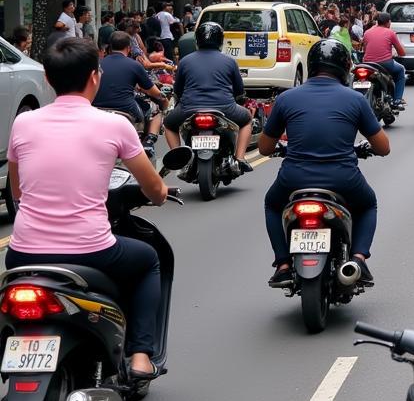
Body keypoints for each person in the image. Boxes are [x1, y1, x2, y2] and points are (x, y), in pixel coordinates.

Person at [4, 38, 168, 378]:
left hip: (21, 254)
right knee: (149, 261)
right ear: (96, 77)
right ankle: (140, 355)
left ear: (47, 79)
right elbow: (154, 189)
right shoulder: (115, 125)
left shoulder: (23, 123)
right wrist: (161, 192)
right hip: (91, 250)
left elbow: (17, 190)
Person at [259, 39, 389, 287]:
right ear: (344, 67)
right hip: (343, 178)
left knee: (272, 205)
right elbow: (384, 147)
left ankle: (284, 264)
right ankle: (359, 258)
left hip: (293, 178)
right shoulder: (355, 99)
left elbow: (265, 148)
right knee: (368, 204)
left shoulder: (286, 99)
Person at [163, 22, 253, 173]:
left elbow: (177, 90)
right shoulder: (230, 61)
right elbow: (239, 90)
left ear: (197, 40)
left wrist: (179, 103)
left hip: (188, 108)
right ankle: (240, 158)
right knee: (247, 120)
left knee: (168, 124)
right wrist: (240, 99)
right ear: (220, 41)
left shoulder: (185, 61)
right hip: (225, 108)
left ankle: (180, 158)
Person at [93, 31, 168, 153]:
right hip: (127, 110)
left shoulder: (97, 65)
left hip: (96, 110)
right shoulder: (134, 65)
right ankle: (148, 143)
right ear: (129, 48)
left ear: (109, 47)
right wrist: (162, 97)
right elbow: (153, 92)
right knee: (155, 110)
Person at [361, 12, 407, 106]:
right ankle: (397, 100)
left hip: (368, 64)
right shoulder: (390, 33)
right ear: (388, 22)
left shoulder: (367, 32)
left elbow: (365, 50)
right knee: (400, 70)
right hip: (385, 64)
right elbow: (402, 53)